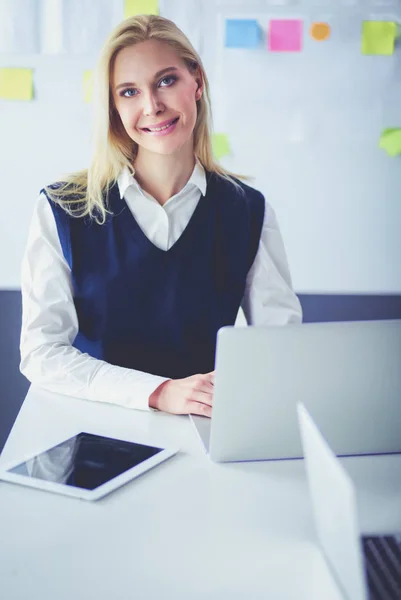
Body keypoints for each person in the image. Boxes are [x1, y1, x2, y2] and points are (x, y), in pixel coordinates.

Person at [20, 14, 302, 419]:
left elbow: (280, 348)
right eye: (129, 92)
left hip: (203, 430)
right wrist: (158, 392)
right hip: (88, 425)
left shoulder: (248, 210)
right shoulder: (62, 208)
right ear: (114, 107)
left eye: (166, 81)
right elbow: (41, 353)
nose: (151, 106)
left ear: (197, 82)